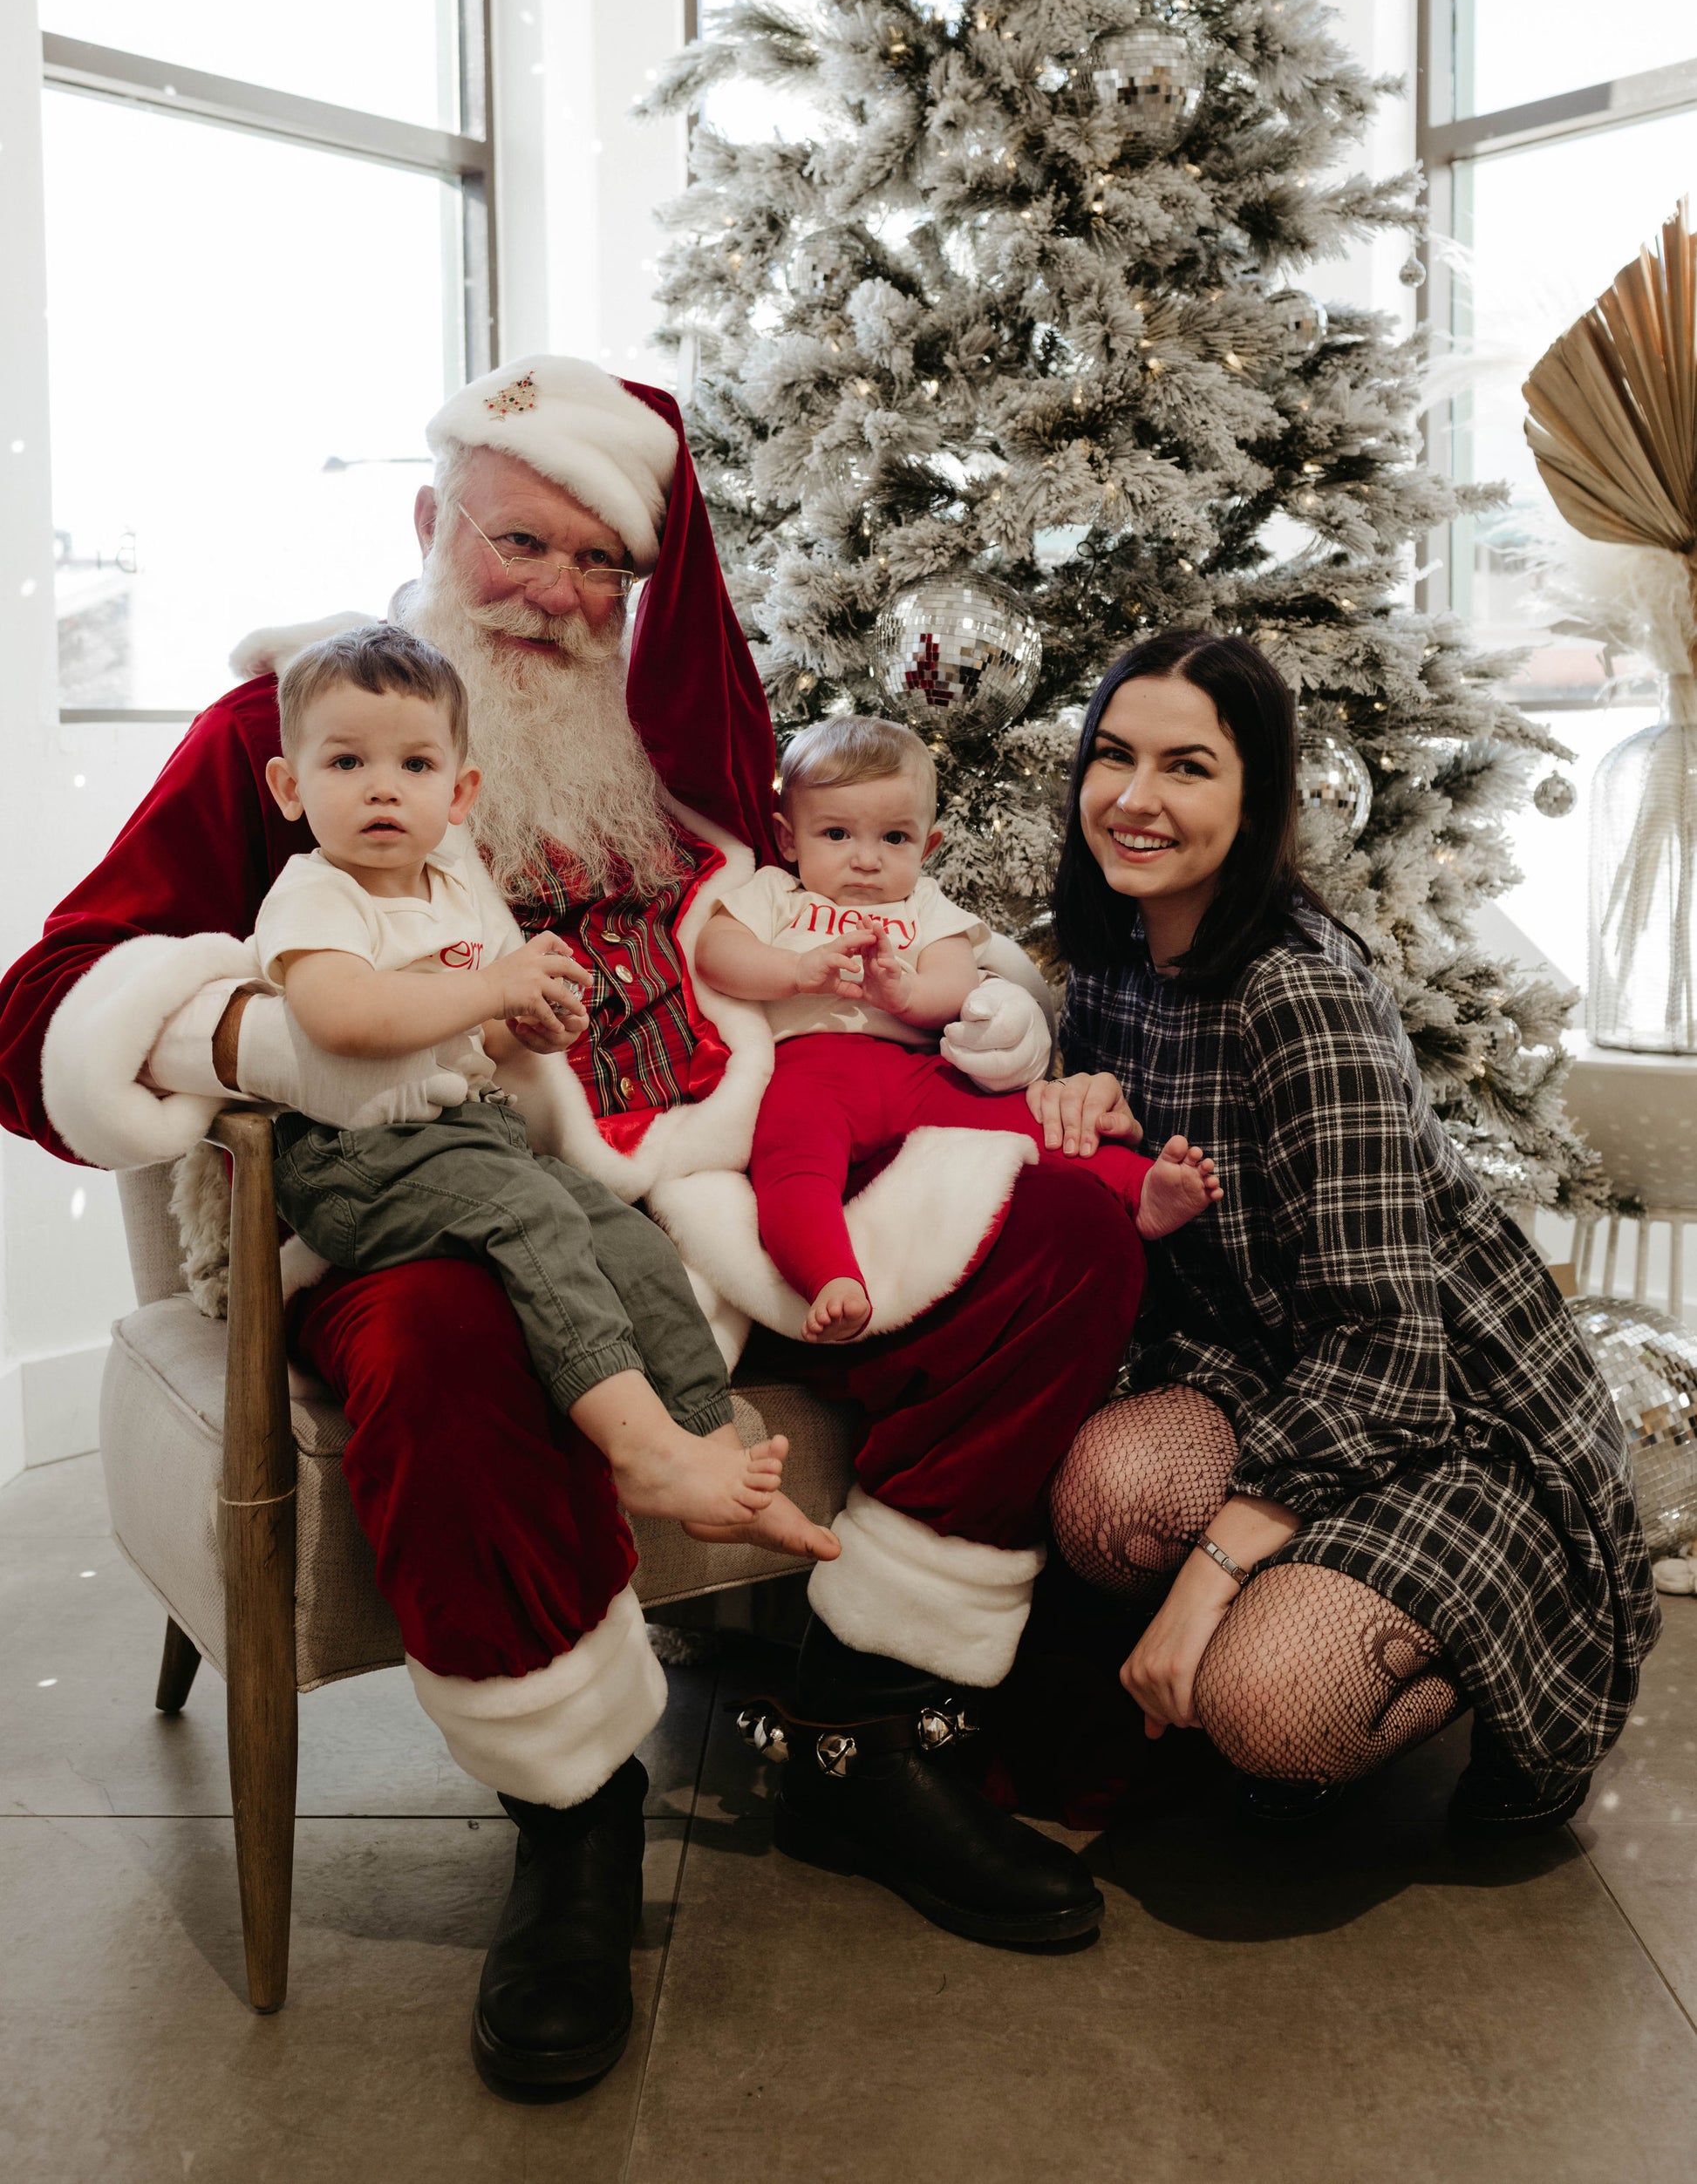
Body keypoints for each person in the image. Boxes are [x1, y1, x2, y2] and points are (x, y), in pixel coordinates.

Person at [0, 356, 1138, 2099]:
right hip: (429, 1200)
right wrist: (268, 1030)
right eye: (518, 543)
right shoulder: (296, 730)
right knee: (440, 1333)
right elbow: (50, 1002)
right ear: (430, 526)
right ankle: (573, 1808)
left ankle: (861, 1734)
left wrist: (974, 1006)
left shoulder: (670, 745)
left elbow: (829, 903)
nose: (556, 593)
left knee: (1063, 1232)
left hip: (729, 1176)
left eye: (601, 562)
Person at [1030, 629, 1660, 1834]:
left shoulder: (1295, 995)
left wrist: (1202, 1581)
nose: (1134, 797)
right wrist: (1065, 1127)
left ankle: (1470, 1663)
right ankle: (1265, 1620)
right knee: (1107, 1493)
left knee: (1272, 1703)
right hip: (1262, 1373)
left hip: (1446, 1412)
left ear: (1256, 795)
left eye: (1186, 766)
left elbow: (1384, 1350)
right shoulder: (1105, 968)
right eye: (1112, 756)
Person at [255, 618, 833, 1558]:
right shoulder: (319, 893)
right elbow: (342, 1017)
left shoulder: (449, 891)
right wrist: (490, 985)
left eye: (414, 765)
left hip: (466, 1141)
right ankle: (640, 1449)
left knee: (631, 1241)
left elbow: (472, 1035)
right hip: (356, 1159)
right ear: (290, 786)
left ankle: (710, 1449)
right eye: (346, 762)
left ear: (460, 790)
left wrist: (525, 1025)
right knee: (536, 1220)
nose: (381, 788)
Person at [697, 714, 1220, 1340]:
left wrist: (908, 992)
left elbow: (957, 983)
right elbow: (716, 952)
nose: (866, 861)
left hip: (916, 1070)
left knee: (1027, 1121)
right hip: (811, 1074)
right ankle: (831, 1276)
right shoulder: (778, 894)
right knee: (791, 1162)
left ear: (928, 846)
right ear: (788, 838)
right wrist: (796, 970)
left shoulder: (924, 907)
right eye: (836, 834)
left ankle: (1140, 1187)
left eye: (894, 838)